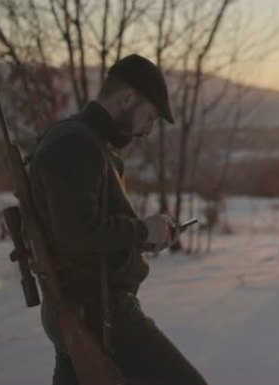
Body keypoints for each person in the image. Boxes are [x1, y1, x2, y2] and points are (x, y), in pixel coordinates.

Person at [28, 54, 208, 385]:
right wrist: (141, 230)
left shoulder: (86, 142)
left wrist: (143, 238)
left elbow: (86, 234)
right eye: (149, 116)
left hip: (84, 308)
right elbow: (77, 232)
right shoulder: (75, 144)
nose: (147, 130)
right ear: (126, 98)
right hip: (99, 313)